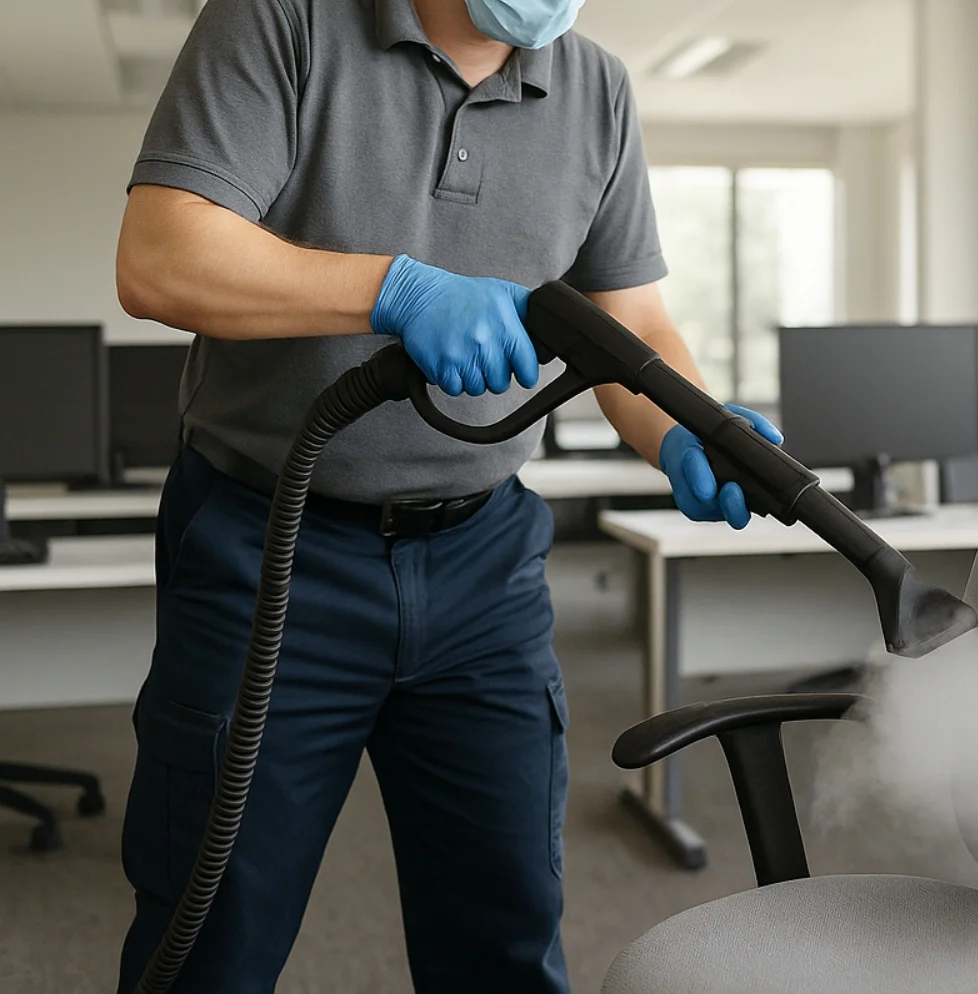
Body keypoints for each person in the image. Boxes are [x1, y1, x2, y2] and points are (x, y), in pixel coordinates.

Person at [111, 1, 771, 990]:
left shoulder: (596, 89)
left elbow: (629, 318)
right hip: (271, 552)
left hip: (484, 567)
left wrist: (687, 423)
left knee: (503, 934)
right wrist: (396, 290)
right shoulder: (280, 20)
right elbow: (161, 254)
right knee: (213, 939)